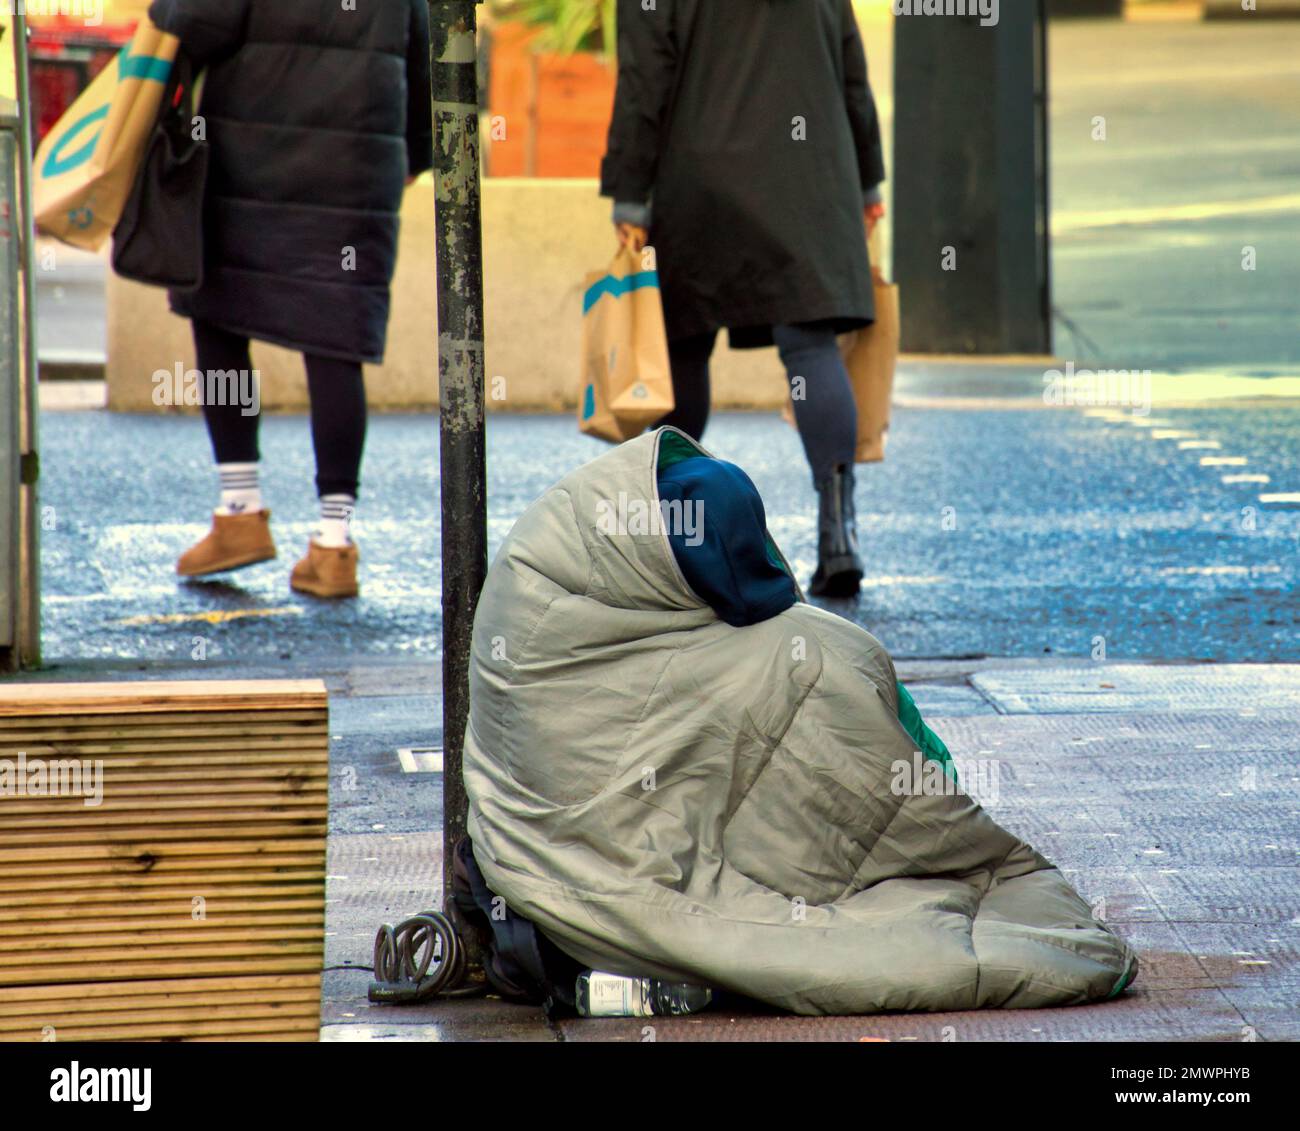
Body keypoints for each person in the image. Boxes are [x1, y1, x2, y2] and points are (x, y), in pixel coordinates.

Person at [462, 428, 1137, 1015]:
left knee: (821, 657)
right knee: (826, 663)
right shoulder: (563, 591)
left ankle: (915, 828)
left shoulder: (589, 530)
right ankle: (919, 829)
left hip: (521, 852)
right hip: (584, 865)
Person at [600, 0, 887, 598]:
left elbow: (645, 74)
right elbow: (849, 62)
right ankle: (838, 531)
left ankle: (673, 532)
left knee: (680, 344)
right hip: (810, 171)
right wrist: (865, 178)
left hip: (699, 175)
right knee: (810, 343)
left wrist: (630, 191)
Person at [151, 0, 434, 598]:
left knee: (218, 315)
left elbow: (197, 21)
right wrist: (412, 152)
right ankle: (335, 547)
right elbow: (427, 52)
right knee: (336, 338)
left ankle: (240, 512)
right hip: (359, 164)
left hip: (248, 156)